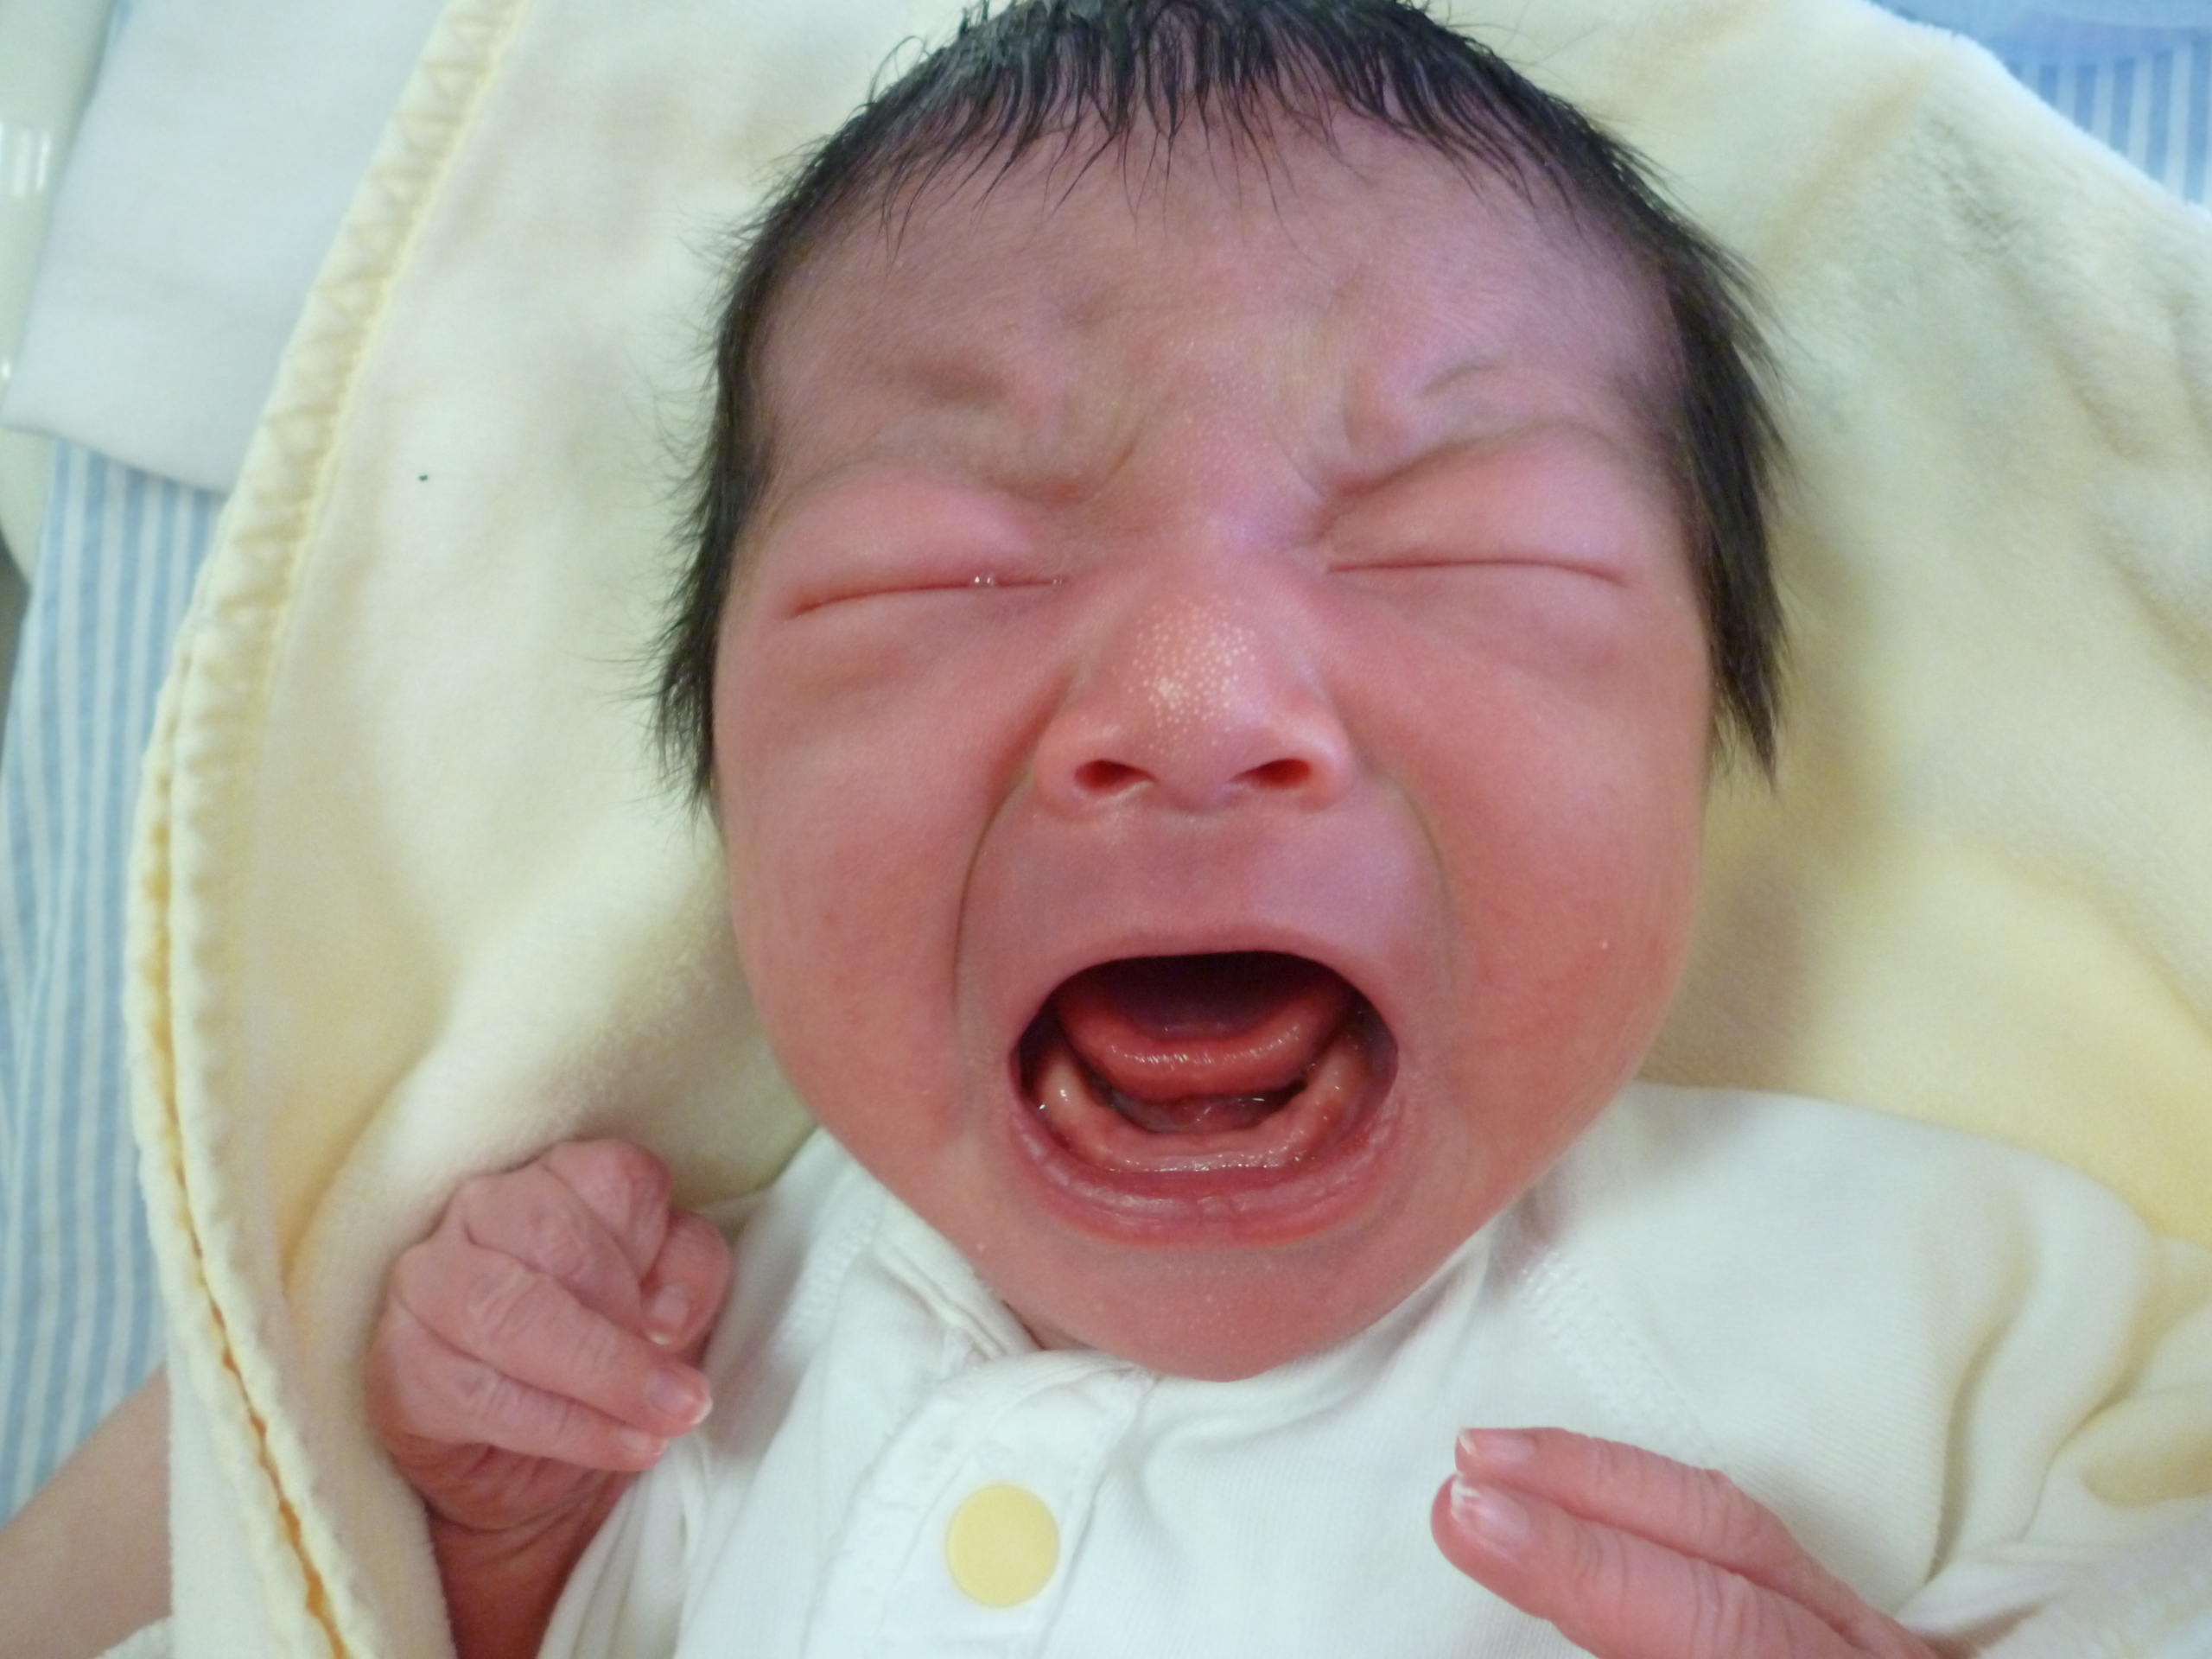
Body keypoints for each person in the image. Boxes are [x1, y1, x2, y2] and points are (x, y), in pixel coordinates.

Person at [361, 3, 2212, 1657]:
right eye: (936, 572)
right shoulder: (689, 1367)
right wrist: (505, 1538)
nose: (1199, 705)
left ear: (1707, 755)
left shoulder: (1941, 1310)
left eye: (1457, 550)